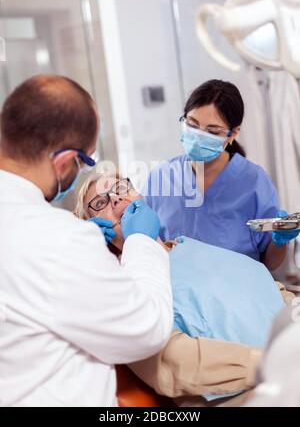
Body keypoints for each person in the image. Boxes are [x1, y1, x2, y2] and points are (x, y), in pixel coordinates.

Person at [0, 75, 173, 407]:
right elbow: (146, 329)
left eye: (122, 188)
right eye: (85, 163)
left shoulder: (59, 236)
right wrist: (139, 241)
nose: (116, 201)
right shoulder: (63, 239)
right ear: (65, 161)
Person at [75, 172, 293, 407]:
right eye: (100, 203)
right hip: (249, 392)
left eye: (120, 188)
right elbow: (173, 362)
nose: (115, 199)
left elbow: (266, 289)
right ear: (98, 231)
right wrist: (272, 362)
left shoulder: (190, 246)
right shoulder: (120, 289)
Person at [143, 79, 299, 271]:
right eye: (192, 124)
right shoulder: (161, 178)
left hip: (240, 294)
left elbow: (270, 263)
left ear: (233, 134)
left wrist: (280, 240)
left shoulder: (254, 182)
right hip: (176, 295)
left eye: (212, 131)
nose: (199, 135)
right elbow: (145, 247)